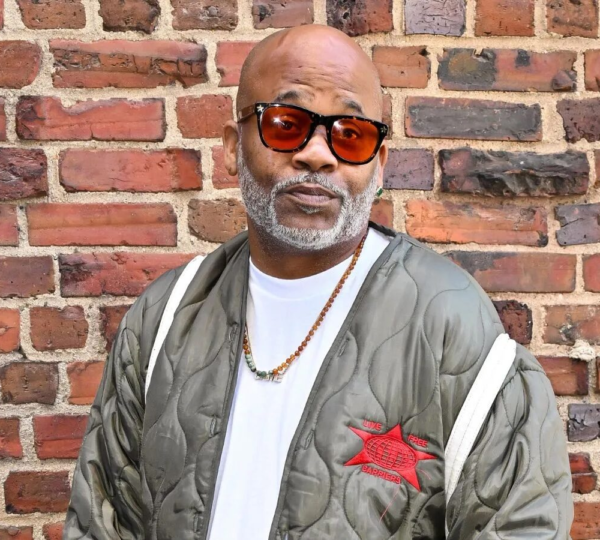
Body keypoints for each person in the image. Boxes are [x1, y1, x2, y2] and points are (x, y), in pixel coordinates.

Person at [63, 24, 574, 540]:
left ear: (379, 166)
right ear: (232, 147)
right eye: (286, 124)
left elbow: (521, 525)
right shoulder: (165, 317)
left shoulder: (453, 327)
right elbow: (103, 520)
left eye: (350, 134)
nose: (317, 153)